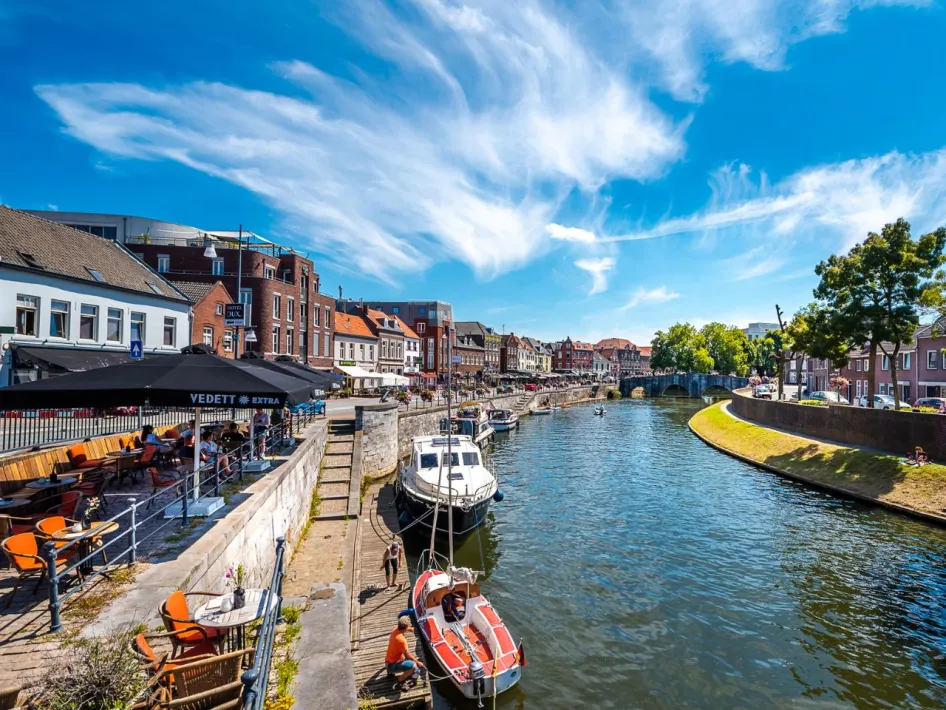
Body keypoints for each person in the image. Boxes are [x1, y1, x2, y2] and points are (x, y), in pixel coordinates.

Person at [385, 616, 424, 691]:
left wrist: (410, 629)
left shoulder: (395, 629)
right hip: (392, 665)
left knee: (409, 663)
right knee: (414, 667)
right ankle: (400, 681)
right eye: (408, 626)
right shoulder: (401, 641)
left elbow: (403, 628)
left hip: (388, 660)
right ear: (406, 626)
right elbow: (407, 656)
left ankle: (391, 672)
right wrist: (418, 662)